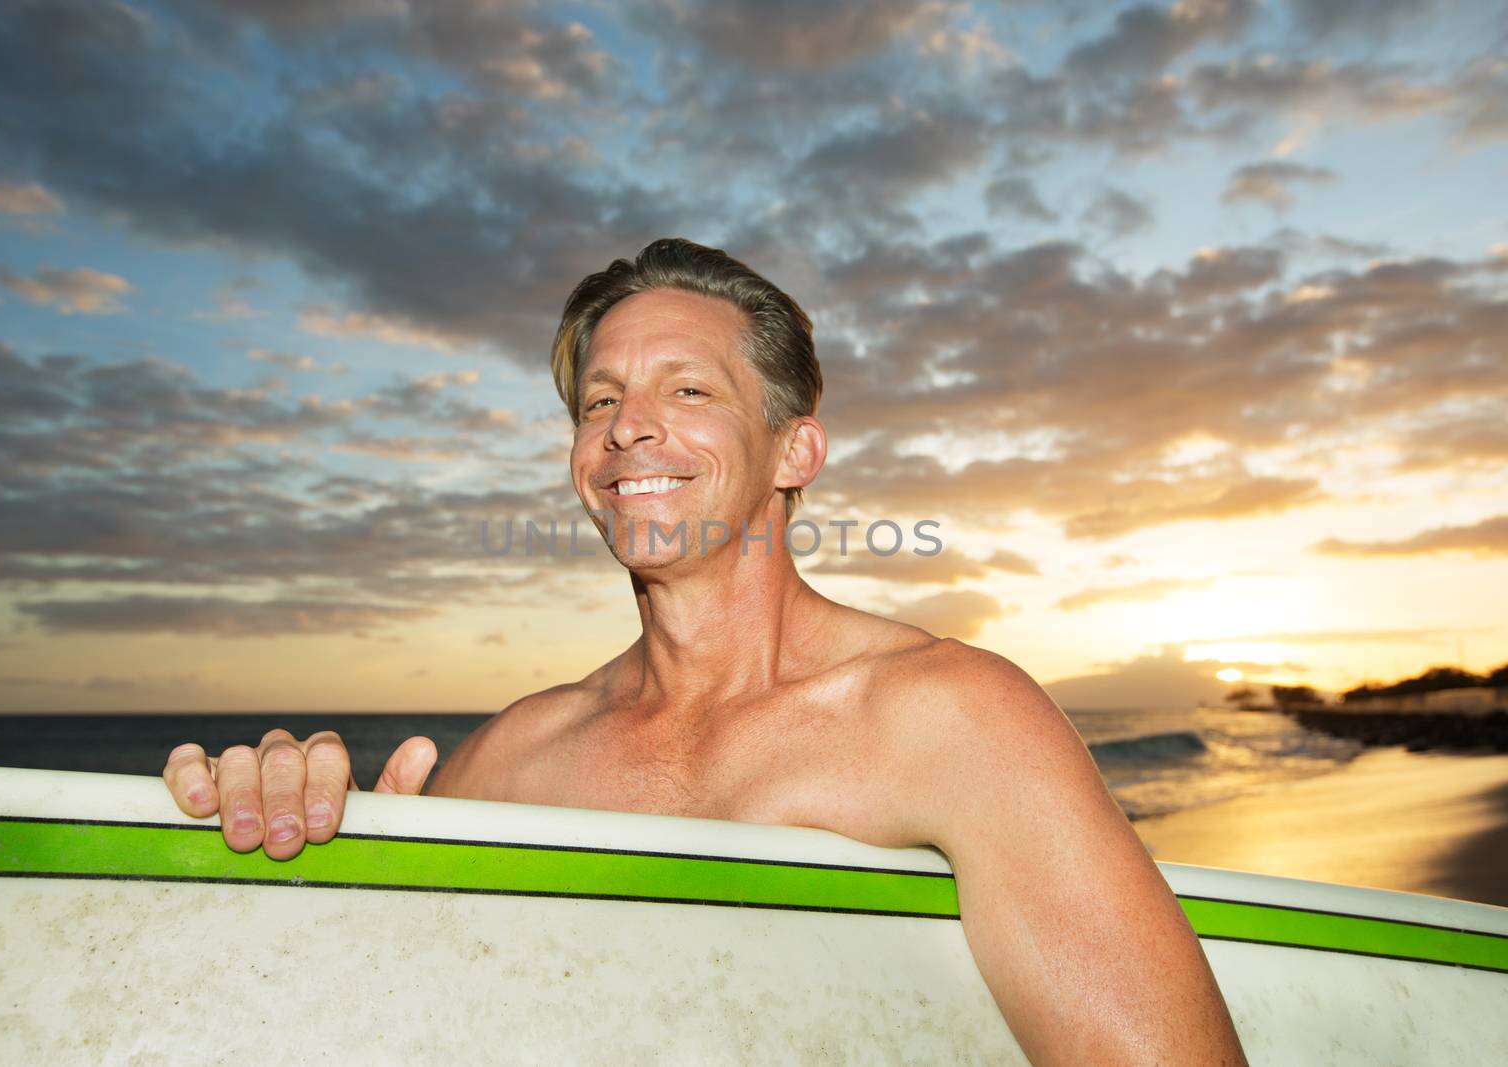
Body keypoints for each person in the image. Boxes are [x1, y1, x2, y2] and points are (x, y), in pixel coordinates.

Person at [162, 238, 1247, 1064]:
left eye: (687, 389)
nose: (629, 427)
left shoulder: (947, 718)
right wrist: (289, 830)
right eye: (601, 400)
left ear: (793, 447)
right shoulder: (516, 759)